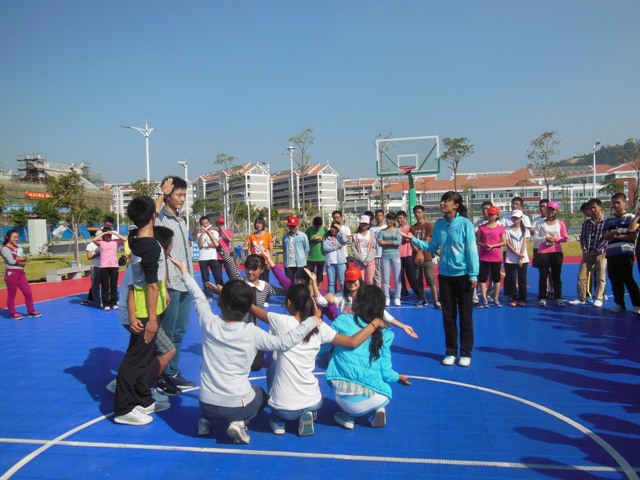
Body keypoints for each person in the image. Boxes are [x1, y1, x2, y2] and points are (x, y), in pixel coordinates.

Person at [170, 259, 323, 445]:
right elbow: (284, 342)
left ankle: (205, 422)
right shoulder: (252, 332)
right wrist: (312, 321)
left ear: (221, 302)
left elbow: (198, 296)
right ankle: (239, 422)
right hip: (236, 405)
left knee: (213, 397)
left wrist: (185, 272)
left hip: (206, 402)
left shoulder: (209, 323)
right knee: (261, 396)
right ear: (247, 308)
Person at [250, 284, 384, 436]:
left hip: (283, 408)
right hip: (313, 402)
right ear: (311, 302)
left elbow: (253, 309)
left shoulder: (280, 320)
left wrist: (235, 296)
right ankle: (307, 414)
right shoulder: (321, 328)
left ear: (289, 303)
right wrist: (374, 323)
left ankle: (278, 420)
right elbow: (352, 342)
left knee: (273, 368)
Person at [402, 191, 479, 367]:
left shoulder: (465, 224)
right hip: (445, 276)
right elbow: (432, 246)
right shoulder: (439, 225)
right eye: (442, 200)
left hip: (463, 276)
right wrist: (413, 239)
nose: (443, 203)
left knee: (465, 316)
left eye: (447, 201)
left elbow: (471, 250)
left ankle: (465, 353)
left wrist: (473, 274)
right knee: (448, 316)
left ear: (456, 205)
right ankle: (451, 352)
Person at [113, 196, 170, 425]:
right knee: (135, 360)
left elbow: (136, 283)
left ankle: (142, 400)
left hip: (146, 309)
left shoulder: (134, 239)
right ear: (154, 216)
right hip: (147, 312)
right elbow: (150, 286)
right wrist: (152, 320)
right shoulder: (149, 247)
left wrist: (161, 196)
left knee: (145, 357)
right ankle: (124, 409)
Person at [326, 284, 412, 430]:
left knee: (346, 398)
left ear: (360, 303)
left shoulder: (342, 321)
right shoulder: (385, 334)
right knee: (381, 387)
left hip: (345, 398)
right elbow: (386, 372)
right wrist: (398, 377)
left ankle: (348, 416)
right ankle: (379, 409)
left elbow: (321, 345)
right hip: (376, 399)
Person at [154, 176, 196, 394]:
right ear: (168, 194)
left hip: (185, 282)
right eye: (178, 194)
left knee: (179, 332)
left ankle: (172, 372)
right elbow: (150, 217)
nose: (182, 199)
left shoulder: (181, 220)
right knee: (167, 334)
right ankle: (161, 376)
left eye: (184, 195)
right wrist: (161, 194)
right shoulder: (160, 219)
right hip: (170, 284)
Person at [333, 266, 418, 338]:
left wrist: (403, 326)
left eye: (354, 280)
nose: (351, 283)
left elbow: (383, 314)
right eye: (349, 281)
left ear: (360, 280)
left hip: (363, 332)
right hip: (347, 331)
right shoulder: (341, 296)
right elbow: (327, 301)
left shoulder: (368, 296)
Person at [603, 193, 640, 313]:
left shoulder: (631, 217)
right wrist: (613, 234)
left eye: (618, 202)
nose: (615, 205)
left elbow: (633, 236)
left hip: (625, 252)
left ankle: (637, 304)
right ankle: (619, 303)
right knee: (614, 279)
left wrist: (619, 236)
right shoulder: (609, 219)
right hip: (611, 253)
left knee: (628, 278)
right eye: (614, 203)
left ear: (625, 202)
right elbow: (605, 236)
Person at [570, 198, 607, 307]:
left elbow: (606, 239)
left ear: (600, 207)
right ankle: (582, 298)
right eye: (591, 208)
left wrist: (595, 251)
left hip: (601, 253)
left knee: (600, 276)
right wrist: (585, 250)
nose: (592, 210)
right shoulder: (587, 223)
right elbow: (583, 238)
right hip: (587, 254)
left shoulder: (606, 222)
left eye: (594, 207)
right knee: (582, 275)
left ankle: (599, 298)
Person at [533, 201, 568, 307]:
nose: (550, 211)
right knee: (543, 276)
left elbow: (565, 238)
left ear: (556, 211)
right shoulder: (540, 224)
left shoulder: (560, 223)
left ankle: (558, 297)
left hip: (556, 252)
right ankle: (542, 297)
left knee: (556, 275)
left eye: (553, 210)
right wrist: (545, 238)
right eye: (549, 209)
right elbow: (535, 238)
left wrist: (555, 239)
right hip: (543, 252)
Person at [2, 230, 41, 320]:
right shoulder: (5, 249)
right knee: (12, 295)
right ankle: (12, 313)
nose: (16, 239)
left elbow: (24, 257)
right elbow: (11, 261)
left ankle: (31, 311)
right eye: (14, 237)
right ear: (8, 237)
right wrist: (21, 261)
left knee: (28, 293)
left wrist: (20, 259)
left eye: (17, 237)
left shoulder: (18, 248)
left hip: (21, 273)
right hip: (12, 273)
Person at [410, 205, 440, 308]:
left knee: (430, 278)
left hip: (427, 256)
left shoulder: (429, 226)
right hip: (416, 258)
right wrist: (417, 253)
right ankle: (423, 299)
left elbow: (428, 240)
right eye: (415, 212)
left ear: (423, 213)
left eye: (419, 212)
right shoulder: (412, 227)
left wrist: (420, 252)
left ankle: (436, 300)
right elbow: (411, 241)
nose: (417, 214)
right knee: (418, 279)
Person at [476, 206, 506, 308]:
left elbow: (504, 242)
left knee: (496, 279)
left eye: (493, 214)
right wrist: (484, 245)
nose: (490, 216)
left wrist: (494, 246)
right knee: (483, 278)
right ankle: (484, 299)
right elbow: (478, 241)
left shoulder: (500, 228)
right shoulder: (482, 228)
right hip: (484, 256)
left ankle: (495, 298)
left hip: (496, 257)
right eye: (489, 214)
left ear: (497, 215)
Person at [94, 227, 127, 311]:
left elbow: (124, 239)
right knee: (105, 286)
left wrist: (114, 233)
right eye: (106, 235)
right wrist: (103, 233)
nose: (108, 236)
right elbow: (94, 240)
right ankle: (106, 304)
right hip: (104, 266)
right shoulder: (101, 242)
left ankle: (114, 303)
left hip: (114, 266)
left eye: (109, 235)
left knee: (113, 285)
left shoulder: (115, 242)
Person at [504, 210, 530, 307]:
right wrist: (516, 253)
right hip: (510, 258)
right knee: (511, 279)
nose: (515, 219)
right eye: (514, 217)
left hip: (523, 258)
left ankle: (522, 298)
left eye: (517, 217)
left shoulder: (525, 230)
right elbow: (507, 243)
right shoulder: (507, 230)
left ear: (521, 218)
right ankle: (514, 298)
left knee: (522, 279)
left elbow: (524, 243)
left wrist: (520, 257)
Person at [396, 210, 423, 304]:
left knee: (411, 276)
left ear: (405, 218)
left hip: (408, 255)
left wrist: (417, 251)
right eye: (398, 218)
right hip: (398, 255)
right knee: (400, 276)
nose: (399, 220)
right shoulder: (396, 229)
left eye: (401, 218)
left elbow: (410, 239)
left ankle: (418, 292)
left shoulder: (409, 228)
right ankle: (404, 292)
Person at [377, 212, 402, 306]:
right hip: (385, 257)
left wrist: (386, 242)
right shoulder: (382, 232)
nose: (389, 221)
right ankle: (386, 297)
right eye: (387, 219)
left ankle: (397, 297)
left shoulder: (398, 231)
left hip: (395, 256)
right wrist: (392, 243)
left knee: (397, 278)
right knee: (385, 279)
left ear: (394, 220)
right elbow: (380, 243)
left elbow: (398, 242)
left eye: (391, 219)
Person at [197, 216, 224, 301]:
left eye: (206, 223)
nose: (205, 225)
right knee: (205, 278)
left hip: (213, 258)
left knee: (218, 277)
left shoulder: (214, 232)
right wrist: (202, 234)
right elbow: (200, 245)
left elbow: (215, 244)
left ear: (209, 223)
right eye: (203, 224)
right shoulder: (199, 234)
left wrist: (205, 245)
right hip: (202, 259)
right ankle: (208, 295)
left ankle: (222, 294)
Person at [282, 215, 309, 282]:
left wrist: (301, 257)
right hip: (289, 264)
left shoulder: (303, 236)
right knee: (288, 284)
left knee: (300, 283)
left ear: (297, 225)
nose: (293, 228)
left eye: (294, 226)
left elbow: (306, 249)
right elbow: (284, 249)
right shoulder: (285, 236)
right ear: (288, 226)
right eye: (291, 226)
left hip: (300, 264)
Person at [323, 222, 348, 294]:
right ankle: (332, 296)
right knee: (331, 282)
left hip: (340, 263)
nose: (334, 230)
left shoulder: (340, 236)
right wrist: (336, 246)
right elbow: (325, 248)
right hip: (330, 263)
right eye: (332, 228)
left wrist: (340, 229)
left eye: (336, 228)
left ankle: (344, 296)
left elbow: (345, 240)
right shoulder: (326, 237)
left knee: (342, 282)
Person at [247, 217, 274, 284]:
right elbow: (249, 250)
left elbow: (271, 249)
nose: (258, 225)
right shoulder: (251, 236)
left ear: (263, 224)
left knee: (265, 281)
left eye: (260, 223)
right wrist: (249, 261)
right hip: (255, 262)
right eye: (257, 223)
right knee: (255, 280)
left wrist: (269, 262)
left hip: (265, 262)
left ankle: (265, 291)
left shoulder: (268, 235)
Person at [351, 214, 376, 285]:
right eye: (362, 223)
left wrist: (367, 260)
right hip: (359, 262)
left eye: (366, 223)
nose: (364, 225)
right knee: (360, 280)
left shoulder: (372, 234)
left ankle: (368, 292)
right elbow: (353, 248)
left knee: (370, 281)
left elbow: (373, 248)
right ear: (360, 223)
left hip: (370, 261)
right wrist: (361, 259)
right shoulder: (355, 235)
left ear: (368, 224)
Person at [81, 230, 102, 307]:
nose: (101, 238)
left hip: (104, 266)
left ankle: (106, 299)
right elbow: (89, 257)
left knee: (106, 284)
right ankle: (96, 300)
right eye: (99, 236)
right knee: (95, 284)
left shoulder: (103, 243)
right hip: (95, 266)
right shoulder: (90, 245)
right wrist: (97, 254)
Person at [305, 216, 327, 285]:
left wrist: (321, 240)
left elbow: (328, 241)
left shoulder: (324, 230)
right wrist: (311, 240)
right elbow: (305, 241)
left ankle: (319, 287)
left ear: (321, 225)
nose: (317, 228)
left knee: (320, 273)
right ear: (313, 224)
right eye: (315, 227)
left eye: (318, 227)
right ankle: (311, 287)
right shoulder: (309, 230)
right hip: (311, 257)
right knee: (309, 273)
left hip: (321, 256)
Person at [369, 209, 386, 288]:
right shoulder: (372, 229)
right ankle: (378, 291)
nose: (379, 217)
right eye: (377, 215)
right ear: (375, 217)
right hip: (375, 255)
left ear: (383, 217)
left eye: (381, 215)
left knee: (385, 274)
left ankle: (386, 292)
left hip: (385, 254)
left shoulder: (386, 227)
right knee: (376, 275)